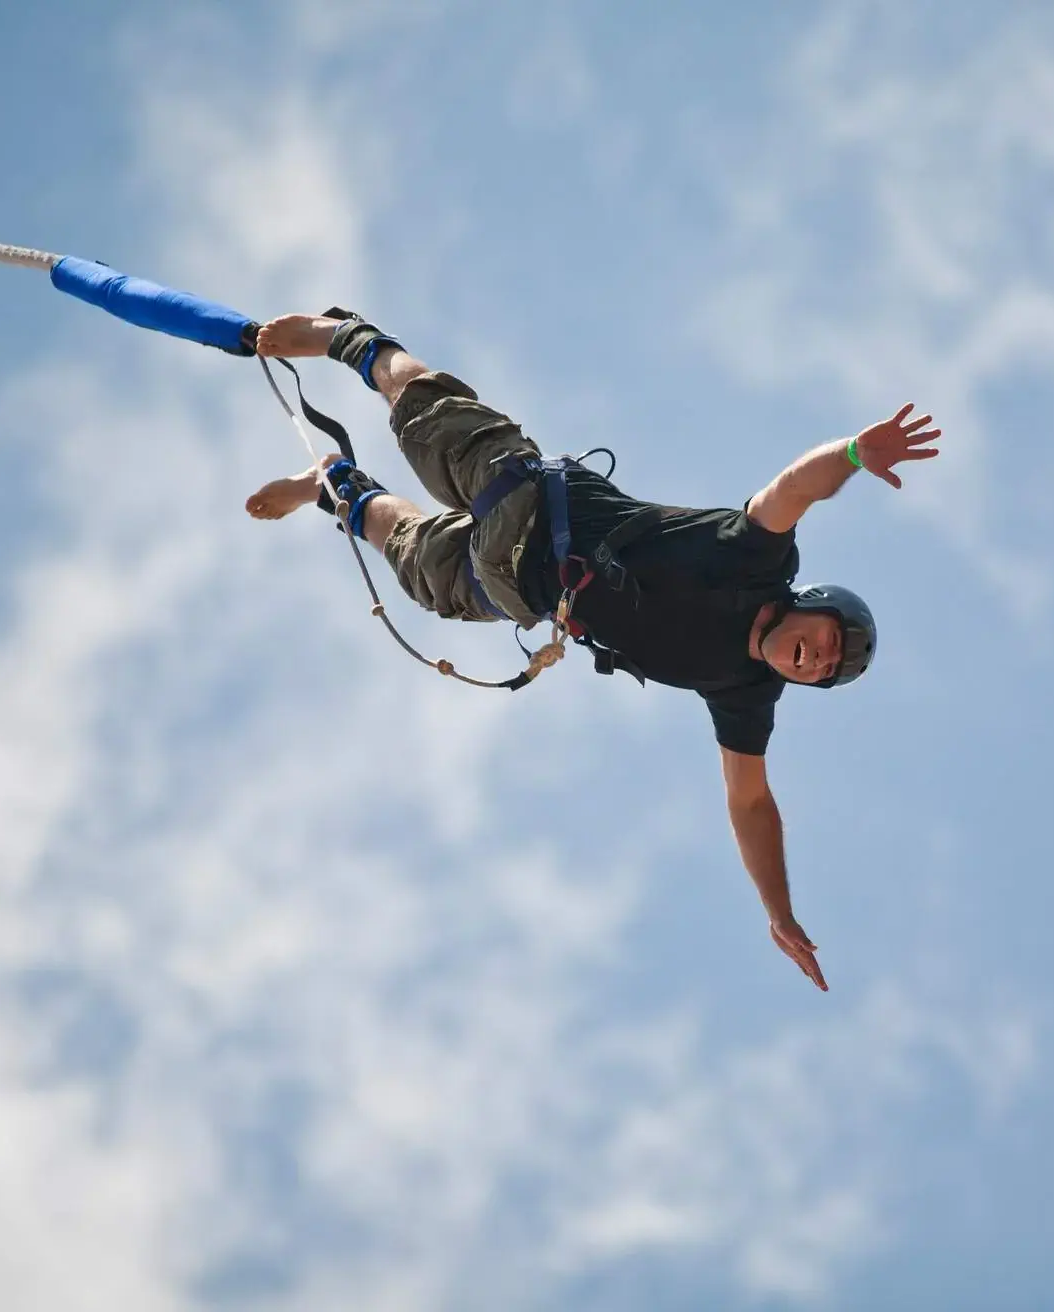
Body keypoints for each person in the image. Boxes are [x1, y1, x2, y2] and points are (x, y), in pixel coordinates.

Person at [245, 312, 941, 990]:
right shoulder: (752, 558)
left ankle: (333, 485)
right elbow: (794, 489)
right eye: (826, 642)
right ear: (808, 605)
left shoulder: (743, 690)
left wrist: (779, 912)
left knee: (419, 571)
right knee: (423, 410)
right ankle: (347, 338)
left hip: (518, 590)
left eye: (826, 671)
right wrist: (854, 453)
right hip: (530, 504)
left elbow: (752, 803)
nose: (818, 660)